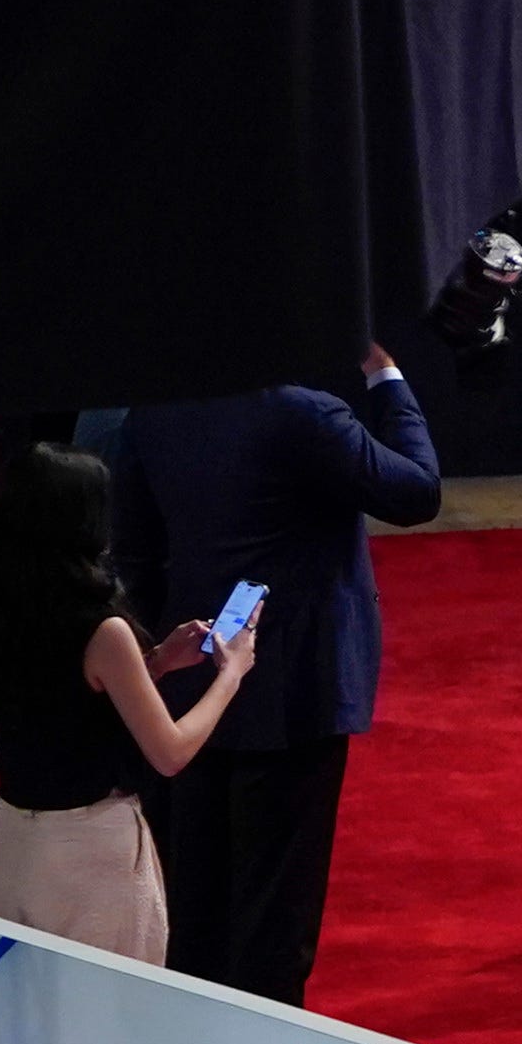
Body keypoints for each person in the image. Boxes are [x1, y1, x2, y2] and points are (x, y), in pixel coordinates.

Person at [109, 352, 441, 1005]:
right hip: (294, 701)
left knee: (195, 915)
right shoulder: (303, 413)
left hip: (186, 691)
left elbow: (137, 558)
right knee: (273, 927)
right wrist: (388, 377)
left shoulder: (151, 413)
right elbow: (418, 491)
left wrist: (163, 672)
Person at [0, 446, 260, 963]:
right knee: (111, 1021)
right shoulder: (102, 630)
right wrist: (231, 674)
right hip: (91, 852)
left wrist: (157, 663)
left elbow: (55, 696)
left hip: (18, 841)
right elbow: (170, 753)